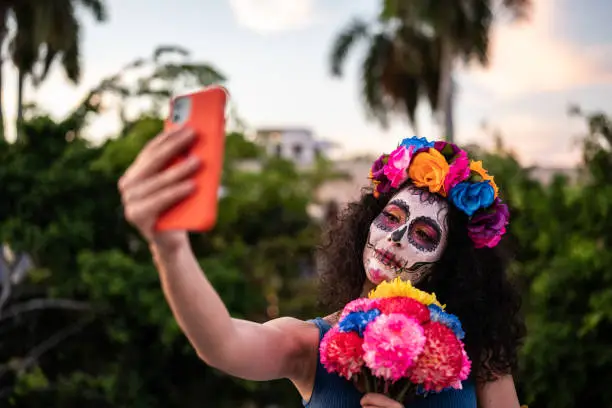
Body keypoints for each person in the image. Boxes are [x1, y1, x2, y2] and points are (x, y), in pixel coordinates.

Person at [118, 127, 526, 408]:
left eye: (422, 233)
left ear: (451, 263)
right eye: (390, 217)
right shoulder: (311, 344)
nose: (396, 238)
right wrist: (170, 248)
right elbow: (223, 344)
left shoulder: (481, 354)